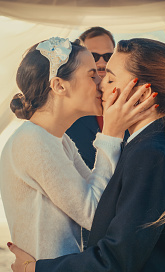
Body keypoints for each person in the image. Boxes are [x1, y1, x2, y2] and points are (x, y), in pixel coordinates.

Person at [8, 38, 165, 272]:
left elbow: (116, 256)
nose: (101, 84)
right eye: (95, 75)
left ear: (141, 92)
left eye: (109, 78)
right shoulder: (145, 147)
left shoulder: (152, 154)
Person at [66, 27, 117, 169]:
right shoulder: (68, 110)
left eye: (108, 56)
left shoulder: (131, 103)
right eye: (93, 56)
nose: (101, 62)